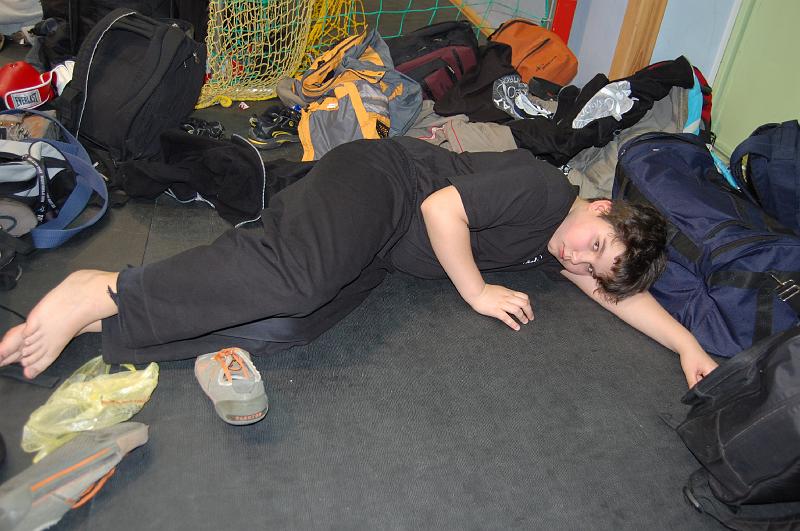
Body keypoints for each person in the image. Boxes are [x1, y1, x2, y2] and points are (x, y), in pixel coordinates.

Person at [0, 137, 718, 387]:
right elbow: (442, 210)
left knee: (293, 325)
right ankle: (102, 288)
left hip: (381, 244)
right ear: (600, 207)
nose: (579, 260)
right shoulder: (545, 191)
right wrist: (476, 291)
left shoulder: (568, 249)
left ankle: (112, 325)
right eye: (596, 244)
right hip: (382, 182)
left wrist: (688, 346)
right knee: (298, 278)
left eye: (594, 266)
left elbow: (617, 296)